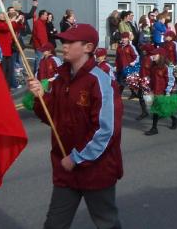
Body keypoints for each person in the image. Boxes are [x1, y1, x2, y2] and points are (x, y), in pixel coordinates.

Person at [28, 24, 123, 229]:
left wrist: (77, 157)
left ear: (88, 47)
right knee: (54, 224)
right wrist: (41, 97)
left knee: (106, 222)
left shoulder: (101, 80)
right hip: (66, 168)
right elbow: (52, 117)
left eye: (71, 42)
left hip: (96, 170)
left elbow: (106, 131)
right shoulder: (61, 79)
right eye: (63, 41)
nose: (64, 46)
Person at [144, 48, 177, 135]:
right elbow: (152, 79)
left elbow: (171, 80)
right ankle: (174, 119)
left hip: (163, 91)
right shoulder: (153, 66)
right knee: (161, 109)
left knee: (157, 109)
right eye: (152, 55)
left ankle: (154, 128)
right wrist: (148, 88)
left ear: (161, 56)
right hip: (155, 90)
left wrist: (167, 92)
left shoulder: (166, 67)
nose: (153, 56)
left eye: (155, 55)